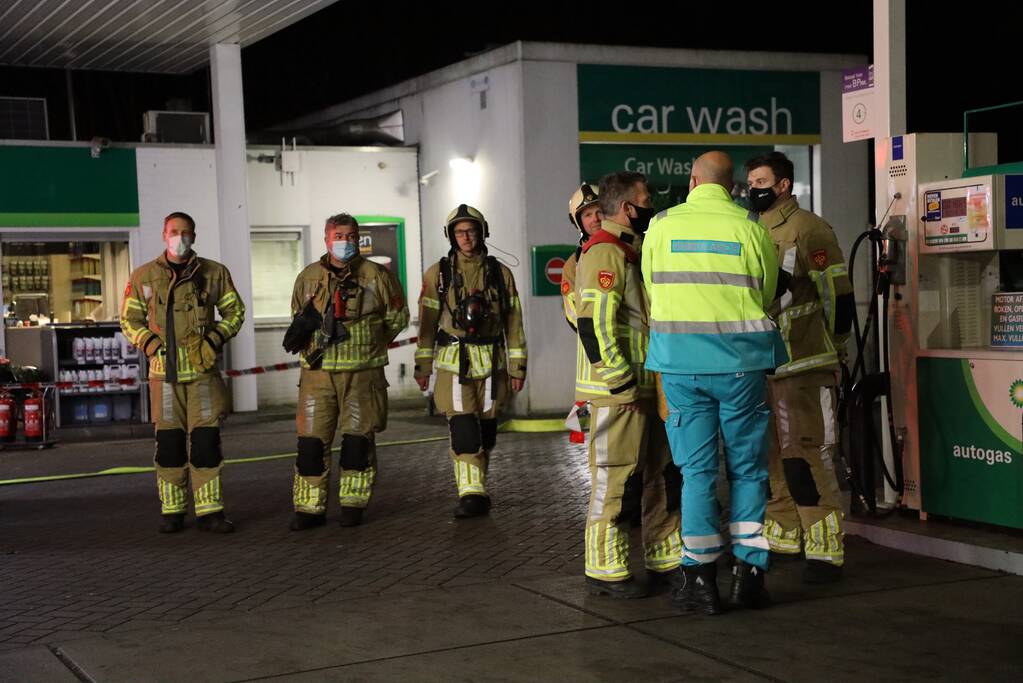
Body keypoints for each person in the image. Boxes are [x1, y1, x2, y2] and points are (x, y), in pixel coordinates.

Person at [643, 151, 784, 614]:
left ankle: (700, 581)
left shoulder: (661, 225)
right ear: (731, 186)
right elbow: (765, 292)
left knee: (697, 472)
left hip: (681, 366)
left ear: (692, 179)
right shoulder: (749, 226)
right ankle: (750, 575)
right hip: (741, 366)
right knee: (747, 470)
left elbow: (652, 288)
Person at [746, 151, 854, 583]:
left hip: (805, 362)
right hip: (767, 365)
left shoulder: (809, 229)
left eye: (762, 181)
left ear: (784, 184)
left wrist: (835, 345)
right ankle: (785, 536)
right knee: (772, 456)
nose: (754, 188)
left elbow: (838, 295)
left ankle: (825, 547)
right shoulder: (752, 229)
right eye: (750, 181)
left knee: (806, 456)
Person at [574, 171, 682, 598]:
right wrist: (620, 383)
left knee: (661, 475)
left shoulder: (632, 249)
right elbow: (594, 326)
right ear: (625, 208)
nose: (649, 206)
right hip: (617, 392)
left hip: (648, 387)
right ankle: (604, 566)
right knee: (616, 479)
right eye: (644, 200)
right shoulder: (604, 252)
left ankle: (664, 556)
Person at [120, 211, 245, 534]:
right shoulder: (143, 276)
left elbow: (235, 311)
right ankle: (172, 512)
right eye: (174, 231)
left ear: (194, 235)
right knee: (170, 446)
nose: (180, 237)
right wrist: (149, 344)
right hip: (163, 376)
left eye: (186, 232)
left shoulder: (214, 273)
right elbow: (128, 320)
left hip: (203, 376)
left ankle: (210, 512)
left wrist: (215, 338)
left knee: (206, 445)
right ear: (164, 234)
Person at [282, 213, 409, 530]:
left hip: (362, 373)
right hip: (317, 373)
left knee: (357, 442)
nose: (346, 242)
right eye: (339, 236)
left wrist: (370, 342)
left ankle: (353, 505)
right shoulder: (308, 277)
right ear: (326, 239)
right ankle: (309, 509)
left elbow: (398, 315)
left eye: (351, 236)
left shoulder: (377, 275)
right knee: (310, 443)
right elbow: (298, 315)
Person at [415, 205, 527, 518]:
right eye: (460, 231)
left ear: (482, 232)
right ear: (451, 236)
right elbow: (426, 325)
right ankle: (471, 494)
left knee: (486, 433)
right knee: (464, 430)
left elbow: (514, 323)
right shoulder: (438, 274)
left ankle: (478, 485)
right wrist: (423, 367)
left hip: (492, 364)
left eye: (471, 230)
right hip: (455, 363)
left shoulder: (500, 273)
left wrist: (518, 367)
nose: (466, 237)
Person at [560, 183, 603, 330]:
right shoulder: (573, 265)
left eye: (599, 212)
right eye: (588, 215)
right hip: (592, 346)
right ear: (577, 222)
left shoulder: (625, 251)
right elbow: (572, 314)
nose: (595, 219)